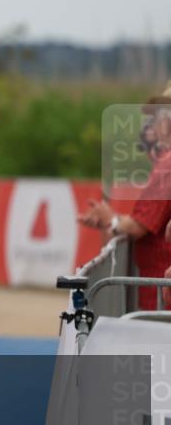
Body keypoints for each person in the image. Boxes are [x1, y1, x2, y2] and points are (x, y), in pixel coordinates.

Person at [79, 97, 171, 310]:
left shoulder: (167, 164)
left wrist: (110, 219)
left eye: (155, 118)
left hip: (160, 301)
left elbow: (138, 226)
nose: (149, 127)